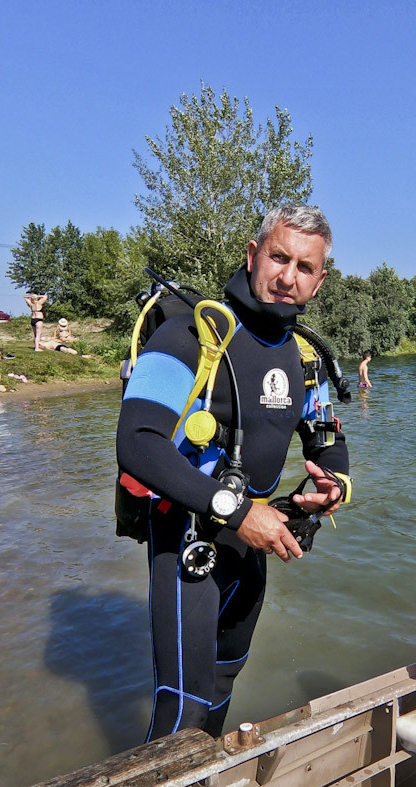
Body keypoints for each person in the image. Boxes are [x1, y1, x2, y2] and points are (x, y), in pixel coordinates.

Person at [116, 205, 351, 740]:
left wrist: (332, 484)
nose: (288, 277)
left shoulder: (306, 357)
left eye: (305, 267)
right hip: (188, 540)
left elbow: (327, 438)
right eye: (278, 257)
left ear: (320, 280)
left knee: (223, 686)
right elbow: (136, 442)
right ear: (253, 255)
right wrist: (238, 512)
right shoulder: (188, 335)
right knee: (183, 712)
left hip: (254, 546)